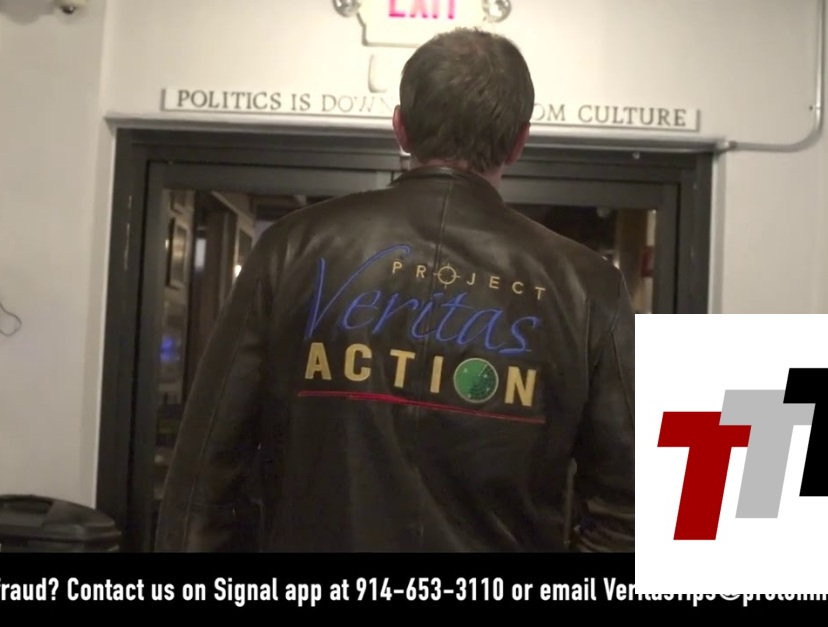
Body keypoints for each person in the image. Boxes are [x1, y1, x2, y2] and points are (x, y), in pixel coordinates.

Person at [157, 28, 634, 553]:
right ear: (520, 141)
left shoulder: (291, 247)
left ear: (401, 127)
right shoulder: (590, 286)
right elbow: (637, 516)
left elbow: (202, 483)